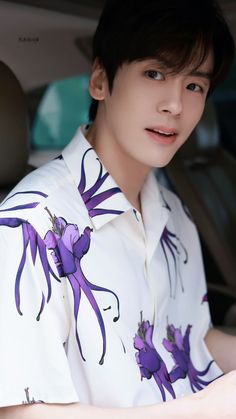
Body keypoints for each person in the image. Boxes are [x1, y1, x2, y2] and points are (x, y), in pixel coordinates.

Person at [0, 0, 236, 418]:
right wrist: (206, 408)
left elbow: (190, 338)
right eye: (155, 73)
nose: (175, 105)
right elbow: (20, 413)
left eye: (194, 86)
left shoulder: (172, 213)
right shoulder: (28, 225)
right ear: (99, 81)